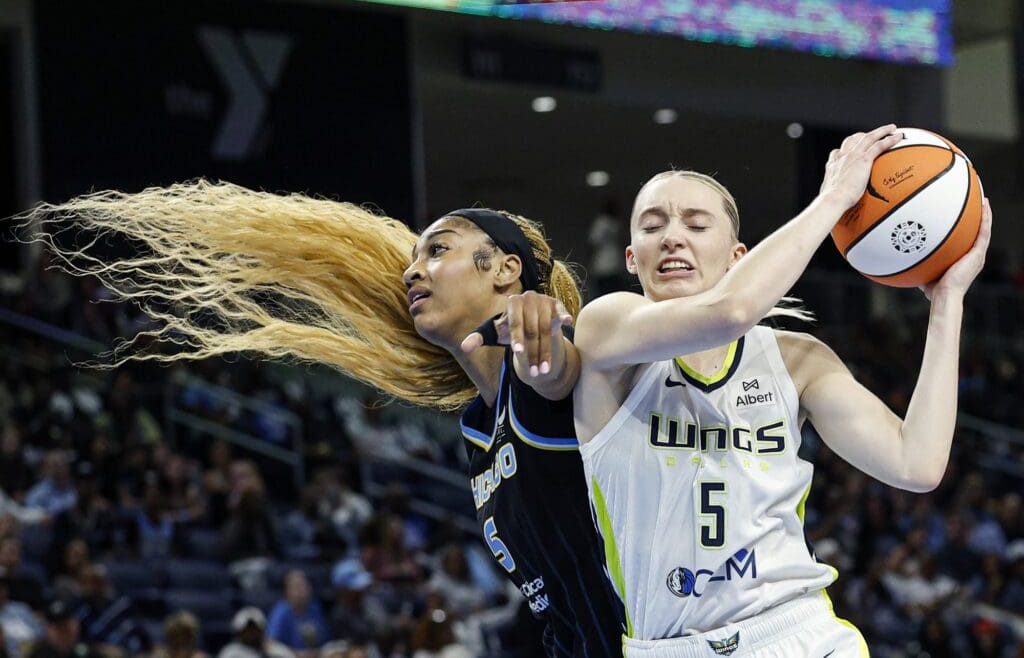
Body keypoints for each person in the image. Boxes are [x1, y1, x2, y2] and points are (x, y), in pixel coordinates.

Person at [16, 185, 625, 656]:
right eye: (412, 259)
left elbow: (559, 367)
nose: (413, 271)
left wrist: (544, 326)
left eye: (438, 249)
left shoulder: (548, 360)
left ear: (506, 269)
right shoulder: (474, 429)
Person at [571, 126, 991, 656]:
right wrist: (835, 198)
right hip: (669, 645)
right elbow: (730, 311)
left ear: (738, 256)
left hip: (798, 634)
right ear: (631, 258)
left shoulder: (796, 359)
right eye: (653, 226)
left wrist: (946, 301)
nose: (672, 236)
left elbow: (917, 463)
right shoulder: (606, 330)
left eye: (697, 224)